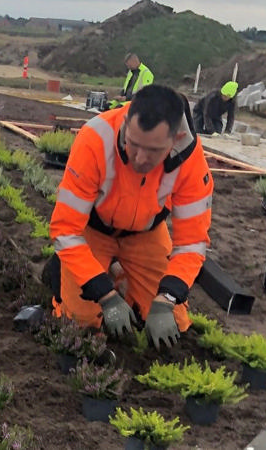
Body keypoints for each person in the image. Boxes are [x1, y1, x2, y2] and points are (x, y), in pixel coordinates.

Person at [49, 84, 213, 349]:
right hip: (94, 231)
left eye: (154, 151)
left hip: (146, 234)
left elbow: (192, 244)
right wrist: (104, 293)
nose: (140, 158)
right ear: (126, 123)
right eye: (133, 144)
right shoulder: (95, 139)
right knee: (80, 324)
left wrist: (168, 298)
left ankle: (119, 277)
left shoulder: (191, 161)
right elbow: (65, 230)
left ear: (177, 138)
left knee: (174, 322)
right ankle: (65, 273)